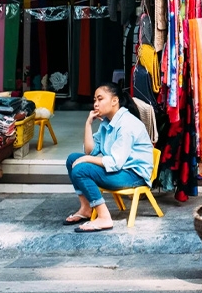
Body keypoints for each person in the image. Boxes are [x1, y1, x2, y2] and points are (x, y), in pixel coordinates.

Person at [63, 82, 154, 233]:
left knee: (81, 169)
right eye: (95, 100)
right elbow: (90, 151)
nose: (96, 104)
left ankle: (104, 217)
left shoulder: (127, 124)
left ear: (114, 100)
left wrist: (86, 160)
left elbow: (115, 162)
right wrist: (88, 124)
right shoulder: (107, 122)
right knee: (72, 159)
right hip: (120, 170)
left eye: (100, 99)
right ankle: (86, 208)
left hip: (133, 175)